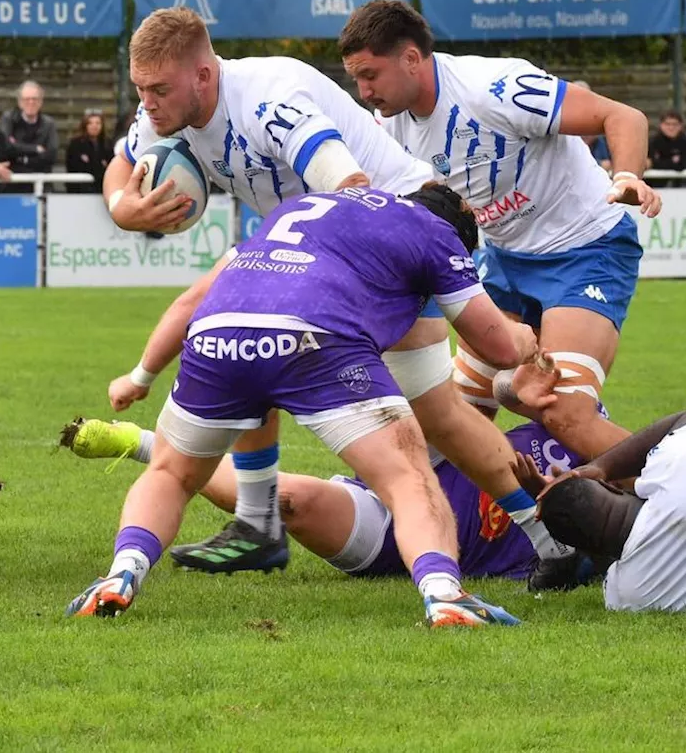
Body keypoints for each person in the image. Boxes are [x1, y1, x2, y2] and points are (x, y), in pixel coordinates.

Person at [98, 7, 571, 580]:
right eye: (140, 90)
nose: (147, 104)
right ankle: (258, 522)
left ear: (203, 74)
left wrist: (280, 270)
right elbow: (120, 169)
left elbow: (351, 189)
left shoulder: (269, 103)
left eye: (158, 90)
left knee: (437, 412)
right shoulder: (167, 110)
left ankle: (548, 539)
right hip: (315, 245)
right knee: (252, 355)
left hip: (400, 222)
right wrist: (127, 209)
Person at [67, 185, 539, 626]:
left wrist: (141, 376)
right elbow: (496, 348)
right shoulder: (436, 233)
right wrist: (524, 339)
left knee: (170, 475)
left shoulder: (302, 207)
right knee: (408, 478)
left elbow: (192, 300)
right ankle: (443, 594)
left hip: (218, 332)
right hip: (315, 335)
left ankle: (121, 573)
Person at [338, 0, 661, 463]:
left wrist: (628, 176)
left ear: (411, 58)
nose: (364, 91)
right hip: (504, 262)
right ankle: (463, 528)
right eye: (356, 80)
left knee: (565, 414)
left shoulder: (495, 87)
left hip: (586, 248)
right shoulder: (387, 125)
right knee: (449, 419)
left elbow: (624, 117)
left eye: (370, 75)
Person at [63, 416, 584, 584]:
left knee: (287, 502)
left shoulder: (612, 525)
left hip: (407, 546)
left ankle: (143, 445)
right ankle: (158, 453)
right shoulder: (562, 417)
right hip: (418, 476)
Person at [507, 373, 686, 612]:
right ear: (609, 486)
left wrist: (557, 508)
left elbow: (610, 552)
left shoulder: (628, 594)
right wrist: (601, 466)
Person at [0, 80, 58, 174]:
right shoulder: (8, 119)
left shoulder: (49, 124)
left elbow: (51, 155)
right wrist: (36, 149)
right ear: (19, 102)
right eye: (27, 99)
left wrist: (21, 158)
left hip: (41, 179)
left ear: (41, 101)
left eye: (35, 99)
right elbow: (5, 148)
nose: (31, 102)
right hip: (13, 181)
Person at [65, 109, 115, 193]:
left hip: (101, 190)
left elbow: (111, 166)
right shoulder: (76, 144)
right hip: (79, 191)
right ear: (85, 125)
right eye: (90, 123)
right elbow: (75, 166)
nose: (94, 126)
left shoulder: (107, 144)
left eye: (97, 123)